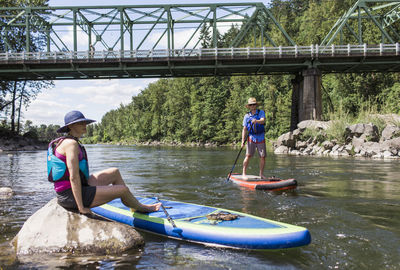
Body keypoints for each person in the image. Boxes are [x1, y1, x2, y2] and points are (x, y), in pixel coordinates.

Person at [47, 110, 161, 215]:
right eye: (81, 123)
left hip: (78, 188)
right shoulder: (71, 144)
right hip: (69, 196)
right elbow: (74, 177)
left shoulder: (70, 141)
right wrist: (81, 208)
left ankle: (133, 204)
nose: (85, 125)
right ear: (71, 126)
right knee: (123, 190)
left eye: (85, 123)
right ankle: (140, 207)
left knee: (114, 172)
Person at [241, 98, 266, 179]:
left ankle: (261, 174)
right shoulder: (246, 116)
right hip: (251, 137)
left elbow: (263, 120)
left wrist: (256, 121)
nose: (252, 106)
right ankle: (244, 173)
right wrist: (242, 141)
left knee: (262, 156)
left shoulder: (261, 112)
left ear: (256, 105)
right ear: (248, 106)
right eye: (251, 105)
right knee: (248, 155)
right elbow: (244, 129)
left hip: (261, 137)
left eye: (254, 104)